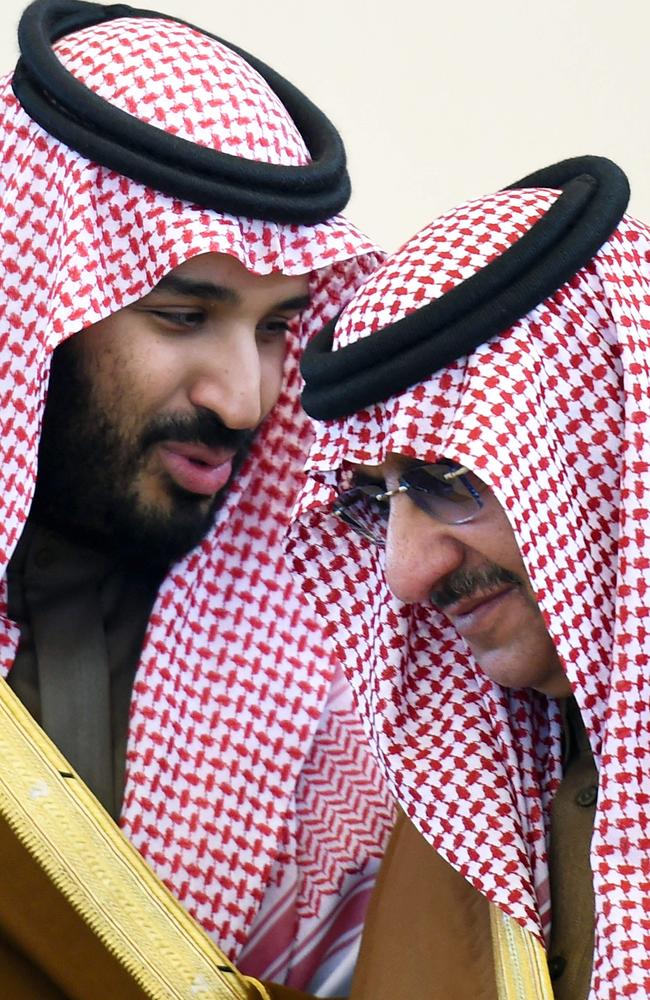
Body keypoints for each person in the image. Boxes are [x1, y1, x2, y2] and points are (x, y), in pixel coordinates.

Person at [0, 1, 393, 996]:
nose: (246, 396)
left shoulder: (325, 690)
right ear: (43, 293)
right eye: (183, 314)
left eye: (276, 329)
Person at [289, 157, 650, 999]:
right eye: (377, 503)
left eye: (453, 482)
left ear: (606, 458)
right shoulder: (466, 813)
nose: (406, 575)